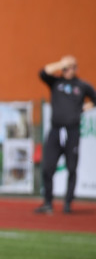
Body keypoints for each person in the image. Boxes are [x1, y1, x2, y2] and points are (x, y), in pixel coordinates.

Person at [35, 55, 95, 214]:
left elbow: (94, 99)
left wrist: (84, 108)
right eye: (65, 68)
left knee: (71, 168)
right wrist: (61, 63)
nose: (68, 70)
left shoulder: (82, 86)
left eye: (71, 67)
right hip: (55, 131)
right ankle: (48, 202)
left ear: (76, 69)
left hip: (72, 132)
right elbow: (42, 73)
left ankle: (67, 203)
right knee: (48, 167)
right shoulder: (56, 82)